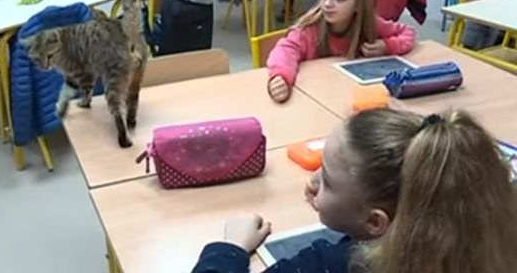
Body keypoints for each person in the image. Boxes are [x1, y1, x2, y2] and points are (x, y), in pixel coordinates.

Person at [192, 108, 517, 273]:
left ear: (375, 223)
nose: (313, 181)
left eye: (328, 181)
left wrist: (230, 247)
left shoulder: (337, 263)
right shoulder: (491, 241)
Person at [267, 0, 415, 103]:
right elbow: (285, 51)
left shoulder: (368, 23)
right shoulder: (310, 29)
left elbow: (408, 33)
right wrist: (281, 76)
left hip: (348, 96)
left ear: (358, 4)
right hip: (314, 98)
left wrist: (387, 46)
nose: (327, 4)